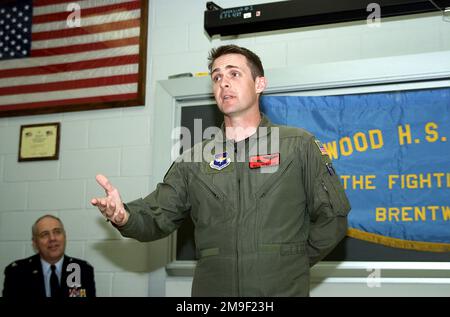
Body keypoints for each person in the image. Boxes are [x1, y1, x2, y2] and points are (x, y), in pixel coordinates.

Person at [91, 44, 351, 296]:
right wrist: (124, 215)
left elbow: (333, 218)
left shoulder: (298, 145)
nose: (223, 83)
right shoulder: (194, 160)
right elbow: (158, 214)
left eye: (234, 74)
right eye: (216, 77)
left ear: (260, 84)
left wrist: (288, 262)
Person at [2, 215, 96, 298]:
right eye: (44, 234)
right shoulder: (17, 272)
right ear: (35, 243)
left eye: (57, 232)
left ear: (65, 236)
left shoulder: (82, 270)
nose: (52, 238)